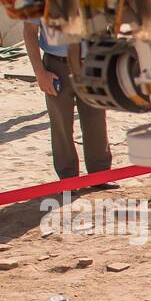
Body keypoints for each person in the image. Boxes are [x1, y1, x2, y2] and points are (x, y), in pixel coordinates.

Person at [22, 20, 114, 186]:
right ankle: (68, 180)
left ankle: (100, 176)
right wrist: (39, 72)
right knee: (61, 124)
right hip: (56, 66)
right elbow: (29, 31)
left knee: (96, 120)